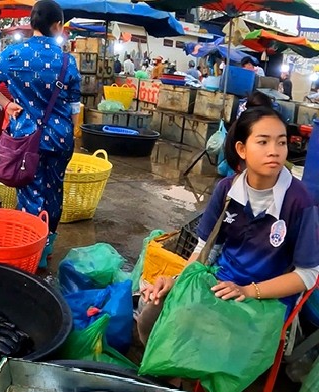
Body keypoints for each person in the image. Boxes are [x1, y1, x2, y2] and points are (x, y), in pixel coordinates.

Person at [137, 94, 319, 344]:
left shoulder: (299, 201)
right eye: (263, 142)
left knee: (202, 338)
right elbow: (204, 250)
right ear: (241, 149)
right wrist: (178, 281)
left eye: (281, 142)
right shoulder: (227, 190)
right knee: (152, 312)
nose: (274, 152)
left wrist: (248, 291)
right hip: (221, 283)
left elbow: (307, 275)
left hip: (266, 300)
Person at [0, 0, 81, 267]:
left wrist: (6, 104)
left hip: (26, 138)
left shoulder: (14, 53)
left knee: (30, 192)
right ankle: (47, 247)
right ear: (57, 25)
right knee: (54, 191)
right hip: (60, 139)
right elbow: (74, 106)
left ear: (32, 23)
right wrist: (72, 134)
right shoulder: (67, 60)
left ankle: (31, 250)